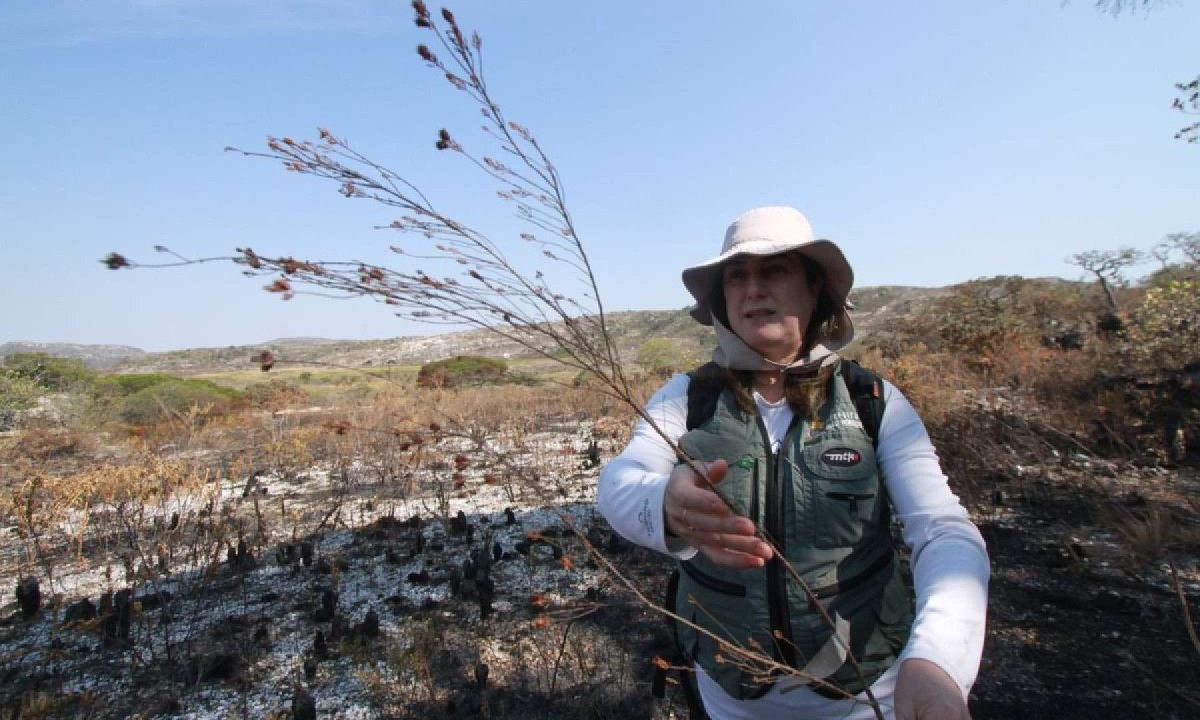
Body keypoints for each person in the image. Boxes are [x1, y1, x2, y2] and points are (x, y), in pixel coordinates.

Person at [598, 207, 989, 720]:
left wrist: (937, 661)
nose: (752, 289)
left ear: (815, 290)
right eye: (737, 276)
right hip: (729, 694)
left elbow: (944, 529)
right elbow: (620, 481)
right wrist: (662, 504)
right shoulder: (688, 397)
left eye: (774, 270)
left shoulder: (871, 399)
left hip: (868, 693)